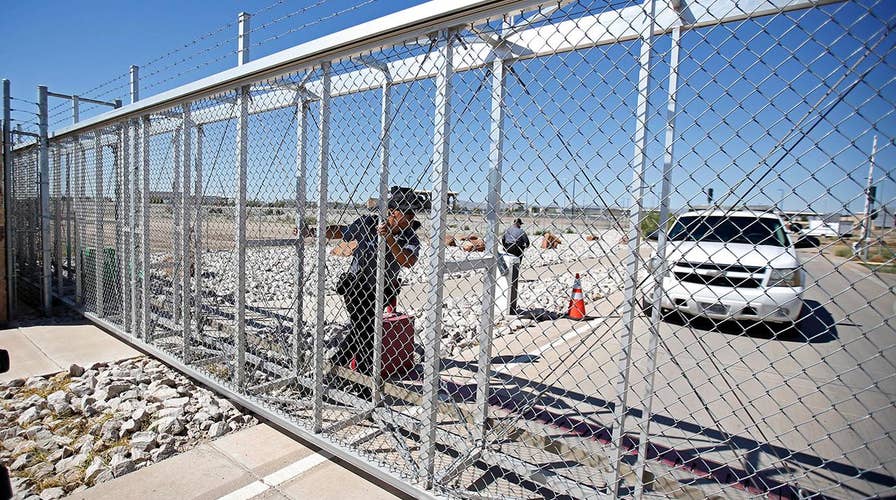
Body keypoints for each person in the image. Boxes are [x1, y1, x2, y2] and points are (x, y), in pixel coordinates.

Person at [325, 186, 422, 374]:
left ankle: (336, 368)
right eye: (407, 212)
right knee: (368, 331)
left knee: (363, 330)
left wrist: (388, 239)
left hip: (382, 290)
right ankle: (363, 379)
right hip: (356, 287)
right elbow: (343, 232)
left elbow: (408, 261)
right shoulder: (369, 222)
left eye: (413, 212)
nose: (411, 216)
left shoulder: (410, 235)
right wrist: (315, 231)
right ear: (393, 212)